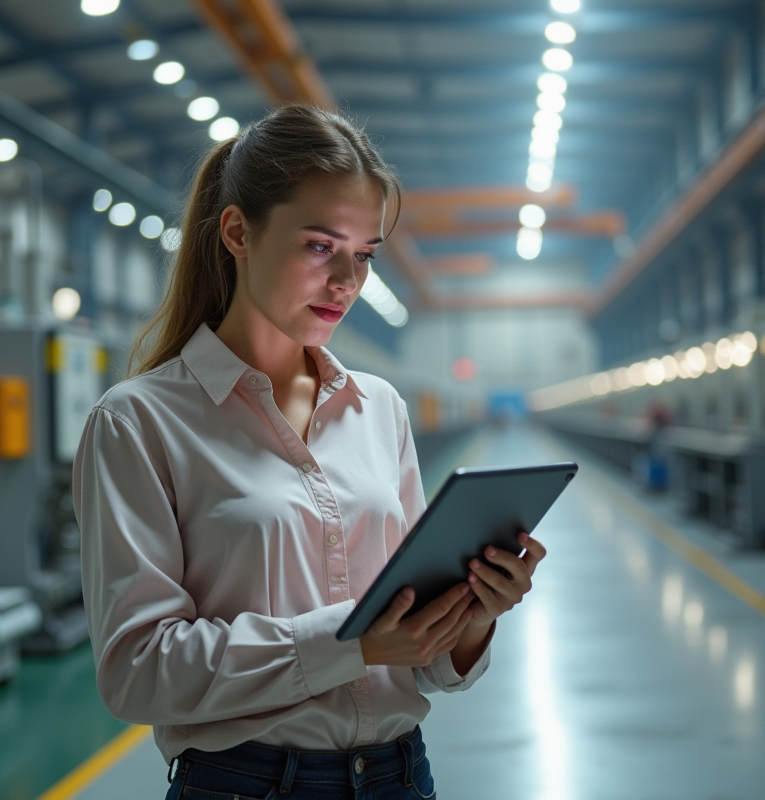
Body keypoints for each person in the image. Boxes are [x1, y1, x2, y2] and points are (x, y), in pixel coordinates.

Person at [72, 104, 546, 800]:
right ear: (237, 232)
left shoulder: (378, 408)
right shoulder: (140, 421)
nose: (347, 280)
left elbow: (426, 664)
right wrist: (350, 643)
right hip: (248, 785)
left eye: (364, 255)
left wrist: (471, 618)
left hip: (400, 777)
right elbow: (138, 672)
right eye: (320, 246)